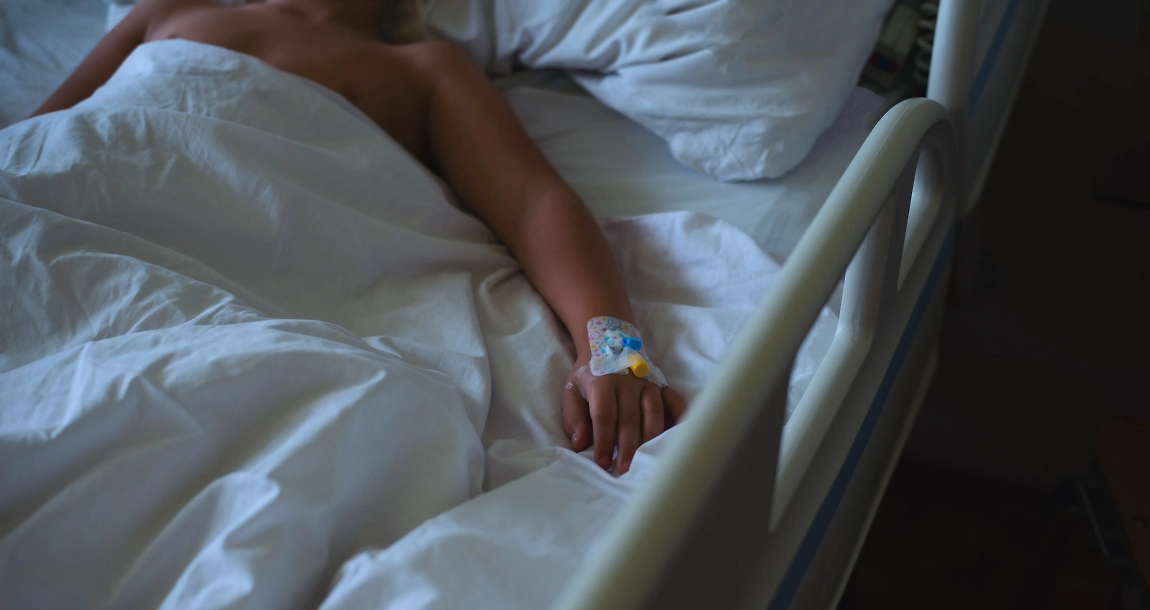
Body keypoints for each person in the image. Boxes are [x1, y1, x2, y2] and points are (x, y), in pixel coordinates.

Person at [33, 0, 687, 475]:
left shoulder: (422, 68)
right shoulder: (168, 11)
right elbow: (39, 140)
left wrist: (614, 349)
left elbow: (535, 203)